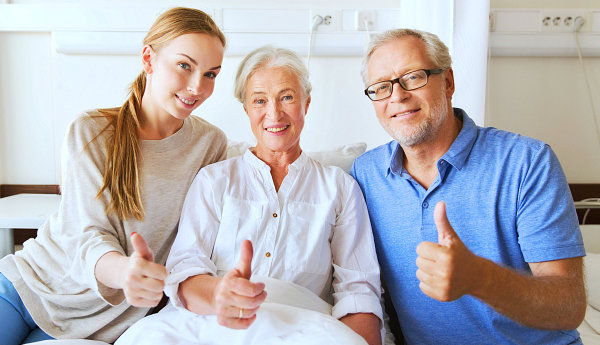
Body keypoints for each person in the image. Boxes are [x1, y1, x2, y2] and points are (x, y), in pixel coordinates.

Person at [116, 45, 383, 345]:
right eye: (260, 100)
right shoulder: (213, 180)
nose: (274, 113)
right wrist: (220, 295)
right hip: (209, 323)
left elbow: (358, 290)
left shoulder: (340, 188)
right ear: (246, 108)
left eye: (287, 97)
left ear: (306, 103)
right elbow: (185, 269)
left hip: (301, 327)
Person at [0, 7, 228, 344]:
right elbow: (86, 234)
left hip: (107, 321)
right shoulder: (92, 131)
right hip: (28, 288)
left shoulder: (210, 145)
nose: (197, 86)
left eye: (210, 74)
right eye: (184, 66)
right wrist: (125, 272)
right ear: (149, 60)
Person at [351, 28, 587, 344]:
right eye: (381, 87)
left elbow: (569, 307)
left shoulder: (526, 162)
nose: (397, 95)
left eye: (413, 77)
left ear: (447, 82)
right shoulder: (366, 175)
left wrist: (480, 278)